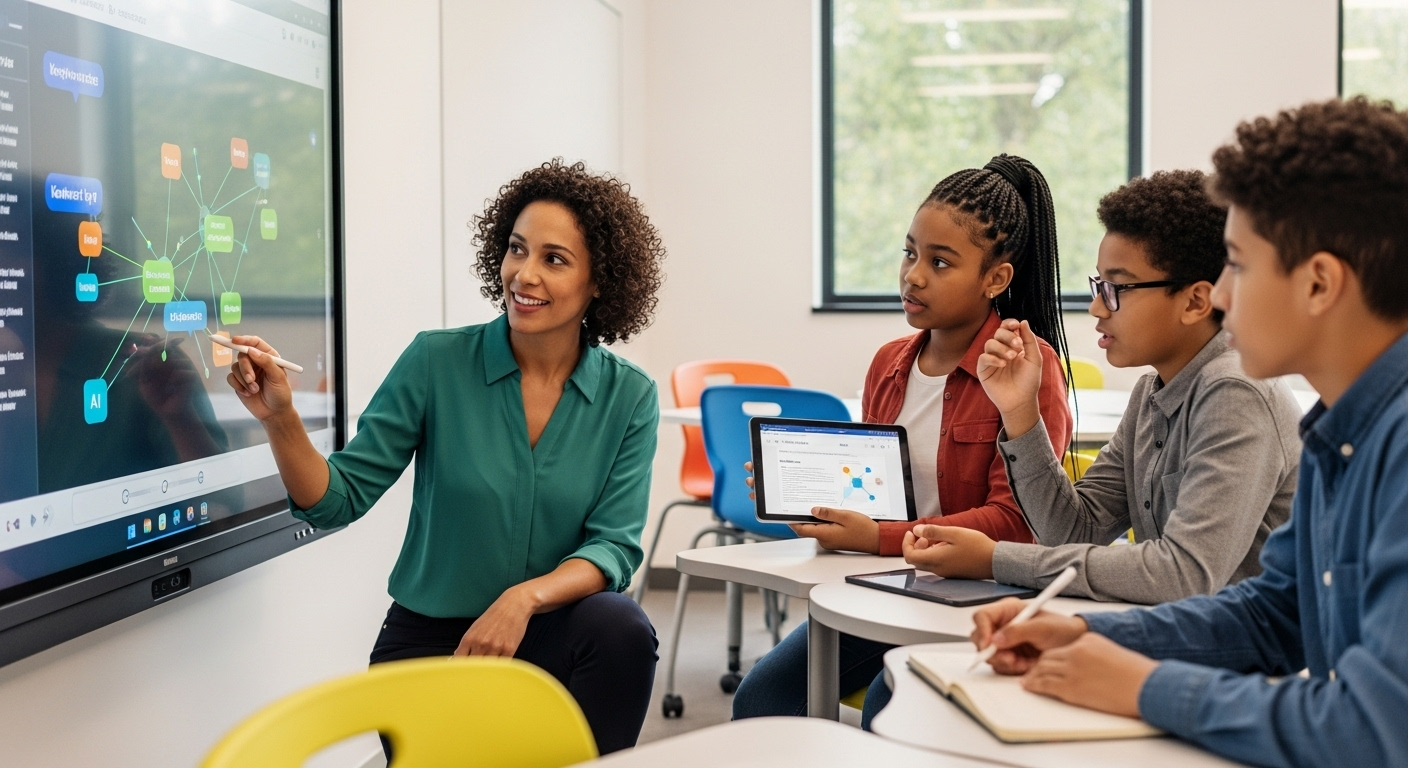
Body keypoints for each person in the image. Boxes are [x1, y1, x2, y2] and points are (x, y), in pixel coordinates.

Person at [971, 97, 1408, 768]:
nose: (1222, 296)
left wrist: (1145, 686)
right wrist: (1084, 634)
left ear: (1319, 284)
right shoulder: (1340, 430)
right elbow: (1274, 614)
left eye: (1239, 265)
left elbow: (1373, 729)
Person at [225, 160, 666, 754]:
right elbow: (336, 501)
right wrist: (279, 418)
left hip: (558, 638)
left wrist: (522, 599)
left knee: (620, 627)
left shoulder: (629, 395)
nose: (524, 274)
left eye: (555, 259)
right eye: (517, 249)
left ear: (599, 283)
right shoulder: (436, 362)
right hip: (435, 642)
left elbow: (614, 546)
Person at [733, 154, 1073, 727]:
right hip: (888, 587)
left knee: (890, 710)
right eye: (910, 253)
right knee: (762, 700)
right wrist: (815, 503)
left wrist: (877, 538)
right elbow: (875, 495)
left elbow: (1017, 522)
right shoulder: (888, 364)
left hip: (980, 600)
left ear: (996, 279)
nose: (913, 275)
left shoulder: (1025, 367)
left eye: (939, 262)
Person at [903, 170, 1303, 604]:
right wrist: (1020, 412)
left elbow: (1182, 575)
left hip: (1241, 644)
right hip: (1177, 629)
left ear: (1194, 301)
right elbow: (1072, 530)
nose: (1096, 307)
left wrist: (996, 559)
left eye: (1116, 288)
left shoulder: (1236, 394)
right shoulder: (1151, 394)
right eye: (1099, 285)